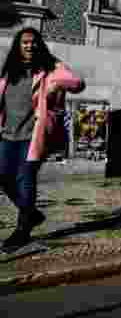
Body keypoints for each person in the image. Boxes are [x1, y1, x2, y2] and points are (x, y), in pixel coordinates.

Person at [0, 28, 85, 251]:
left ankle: (22, 231)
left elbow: (77, 82)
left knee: (25, 179)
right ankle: (32, 214)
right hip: (7, 134)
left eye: (34, 42)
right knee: (4, 178)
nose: (30, 46)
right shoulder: (10, 71)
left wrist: (57, 80)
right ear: (18, 45)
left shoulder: (48, 69)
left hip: (33, 135)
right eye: (25, 42)